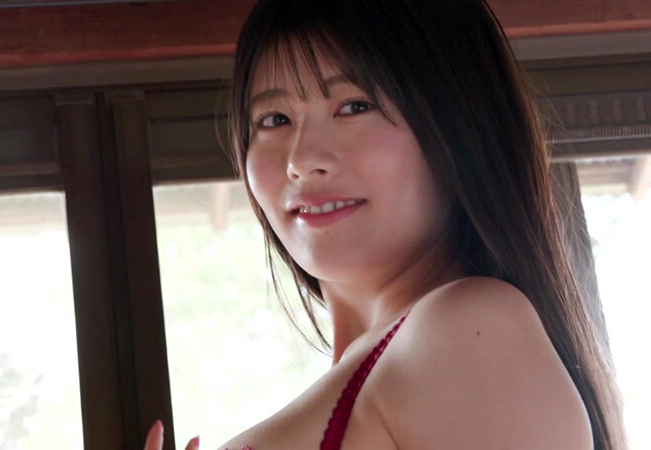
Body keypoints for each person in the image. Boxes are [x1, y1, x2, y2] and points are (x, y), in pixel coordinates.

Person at [145, 0, 627, 448]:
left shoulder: (469, 328)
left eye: (355, 106)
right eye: (273, 119)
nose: (302, 160)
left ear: (459, 128)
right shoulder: (408, 355)